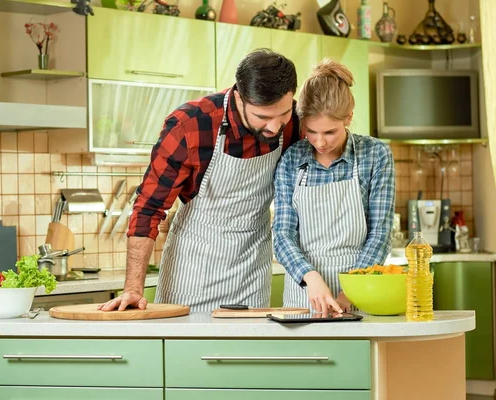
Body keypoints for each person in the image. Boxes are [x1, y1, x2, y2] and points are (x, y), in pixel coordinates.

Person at [101, 49, 301, 312]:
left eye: (282, 115)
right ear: (239, 97)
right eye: (262, 117)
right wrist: (133, 289)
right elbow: (149, 208)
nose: (275, 128)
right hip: (192, 270)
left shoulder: (296, 122)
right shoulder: (191, 125)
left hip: (252, 268)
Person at [272, 59, 395, 314]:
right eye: (311, 131)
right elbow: (283, 234)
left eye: (330, 132)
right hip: (303, 296)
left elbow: (380, 234)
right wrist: (311, 278)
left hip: (358, 295)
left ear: (349, 117)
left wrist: (348, 293)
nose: (319, 142)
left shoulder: (375, 155)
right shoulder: (292, 159)